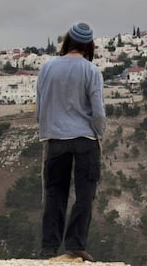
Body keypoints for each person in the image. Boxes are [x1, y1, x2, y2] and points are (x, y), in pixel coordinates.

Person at [36, 22, 106, 262]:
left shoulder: (47, 68)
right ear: (89, 45)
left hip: (55, 138)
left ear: (67, 41)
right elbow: (98, 111)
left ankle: (49, 247)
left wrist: (46, 129)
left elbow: (41, 104)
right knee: (85, 193)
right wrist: (100, 133)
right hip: (85, 139)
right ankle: (75, 245)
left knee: (55, 193)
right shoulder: (91, 71)